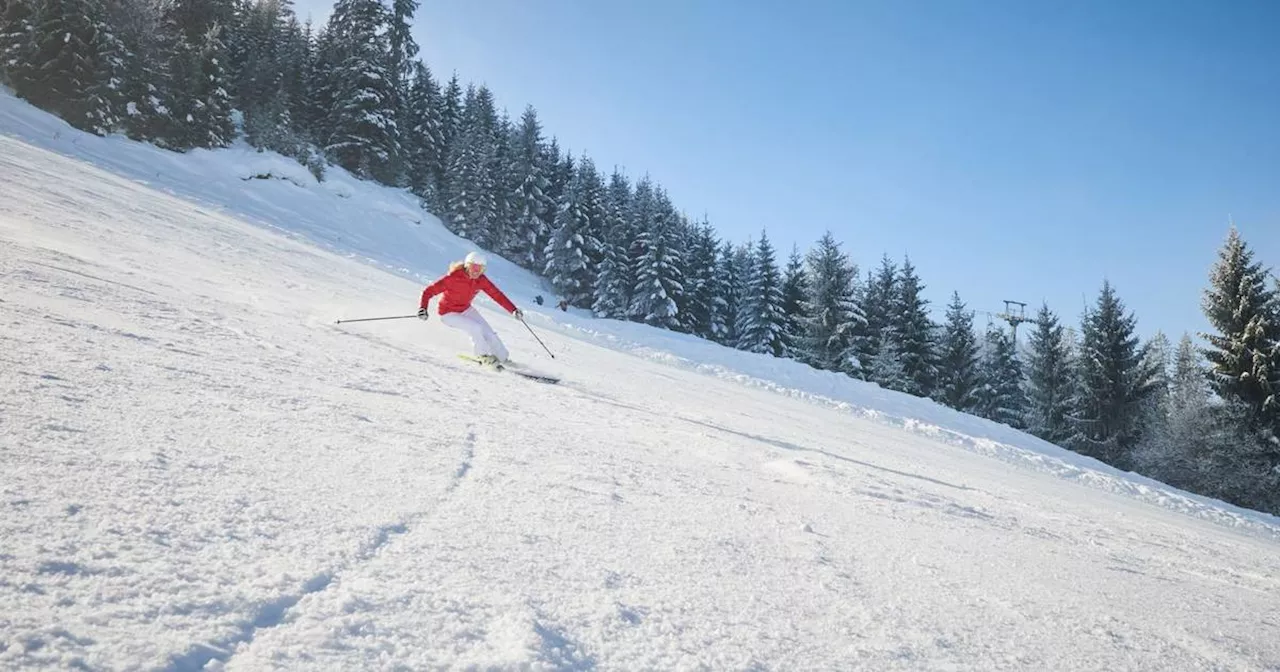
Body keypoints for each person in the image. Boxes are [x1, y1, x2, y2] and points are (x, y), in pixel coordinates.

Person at [418, 252, 523, 365]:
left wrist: (513, 309)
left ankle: (503, 358)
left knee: (489, 333)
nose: (476, 272)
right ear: (467, 266)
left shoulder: (481, 280)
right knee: (476, 328)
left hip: (466, 309)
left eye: (480, 269)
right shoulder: (453, 278)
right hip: (448, 314)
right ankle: (482, 355)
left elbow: (497, 295)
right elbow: (428, 291)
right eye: (474, 267)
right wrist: (423, 308)